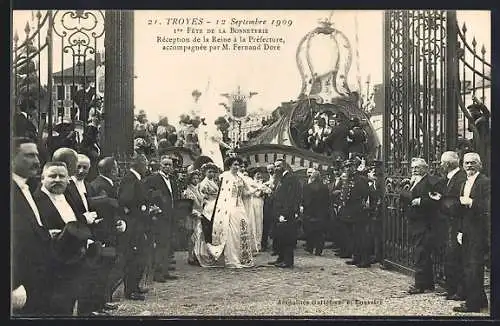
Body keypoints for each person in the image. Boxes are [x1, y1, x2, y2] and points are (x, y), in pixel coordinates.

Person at [33, 161, 94, 316]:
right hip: (51, 268)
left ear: (68, 179)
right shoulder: (35, 201)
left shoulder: (67, 196)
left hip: (74, 263)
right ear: (42, 178)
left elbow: (77, 222)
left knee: (68, 306)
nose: (58, 180)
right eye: (52, 176)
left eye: (62, 176)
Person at [11, 138, 51, 316]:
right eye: (28, 155)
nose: (36, 161)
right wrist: (13, 284)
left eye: (36, 155)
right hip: (19, 285)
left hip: (36, 280)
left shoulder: (28, 188)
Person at [453, 153, 490, 313]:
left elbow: (489, 206)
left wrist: (472, 202)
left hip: (479, 230)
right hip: (467, 229)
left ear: (479, 165)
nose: (469, 166)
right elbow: (461, 211)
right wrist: (460, 230)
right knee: (469, 265)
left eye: (472, 163)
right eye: (466, 163)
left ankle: (472, 304)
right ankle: (480, 300)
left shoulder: (485, 182)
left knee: (474, 267)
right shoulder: (463, 183)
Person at [88, 157, 125, 311]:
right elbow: (104, 210)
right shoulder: (100, 186)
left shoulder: (102, 184)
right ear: (112, 170)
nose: (118, 171)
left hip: (109, 232)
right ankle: (98, 303)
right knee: (103, 270)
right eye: (116, 168)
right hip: (104, 234)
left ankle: (103, 301)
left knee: (107, 269)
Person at [205, 156, 255, 268]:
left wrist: (257, 190)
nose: (237, 167)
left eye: (238, 165)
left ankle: (241, 257)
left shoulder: (240, 178)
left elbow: (245, 193)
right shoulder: (225, 176)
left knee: (240, 230)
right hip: (228, 206)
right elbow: (222, 195)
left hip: (239, 206)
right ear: (229, 165)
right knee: (231, 232)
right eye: (235, 165)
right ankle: (231, 258)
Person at [400, 158, 440, 294]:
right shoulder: (412, 180)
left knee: (420, 253)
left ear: (425, 168)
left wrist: (422, 201)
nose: (414, 170)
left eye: (417, 167)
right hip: (414, 222)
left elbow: (437, 200)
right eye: (413, 167)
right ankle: (428, 283)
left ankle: (420, 285)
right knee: (421, 253)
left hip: (425, 223)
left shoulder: (431, 181)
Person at [117, 153, 151, 300]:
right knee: (134, 256)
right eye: (145, 163)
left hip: (138, 223)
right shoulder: (130, 179)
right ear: (139, 164)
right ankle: (130, 290)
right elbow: (126, 200)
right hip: (134, 225)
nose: (147, 167)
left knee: (139, 256)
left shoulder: (136, 178)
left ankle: (135, 286)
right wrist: (143, 209)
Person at [143, 155, 180, 282]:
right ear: (160, 165)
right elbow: (147, 194)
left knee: (167, 245)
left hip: (169, 216)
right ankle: (157, 273)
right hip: (158, 217)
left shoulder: (172, 180)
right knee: (159, 244)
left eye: (169, 165)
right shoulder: (153, 179)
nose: (167, 167)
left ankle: (165, 271)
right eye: (165, 164)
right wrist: (154, 208)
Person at [268, 159, 302, 268]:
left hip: (286, 213)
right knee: (280, 237)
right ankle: (280, 258)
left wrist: (285, 213)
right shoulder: (281, 178)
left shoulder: (290, 178)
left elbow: (291, 198)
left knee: (287, 238)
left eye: (278, 166)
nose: (275, 168)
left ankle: (287, 261)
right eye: (275, 166)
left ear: (284, 166)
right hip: (279, 212)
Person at [301, 168, 330, 256]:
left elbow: (305, 200)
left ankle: (310, 248)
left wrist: (305, 207)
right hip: (321, 212)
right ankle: (318, 250)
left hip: (310, 212)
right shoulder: (325, 187)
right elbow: (327, 200)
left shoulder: (307, 187)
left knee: (310, 231)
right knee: (320, 233)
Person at [182, 169, 205, 265]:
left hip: (200, 214)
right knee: (192, 236)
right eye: (193, 178)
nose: (196, 180)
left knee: (199, 236)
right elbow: (187, 206)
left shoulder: (198, 189)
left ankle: (197, 254)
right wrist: (195, 212)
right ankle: (190, 256)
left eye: (197, 178)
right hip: (192, 215)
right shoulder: (188, 191)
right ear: (190, 179)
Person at [198, 162, 220, 242]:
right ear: (205, 173)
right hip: (208, 206)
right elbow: (202, 196)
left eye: (213, 172)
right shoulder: (204, 183)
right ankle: (208, 243)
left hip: (215, 204)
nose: (212, 174)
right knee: (208, 225)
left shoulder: (213, 181)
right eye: (209, 172)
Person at [261, 164, 277, 252]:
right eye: (268, 169)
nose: (270, 171)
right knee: (265, 224)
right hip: (267, 204)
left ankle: (275, 247)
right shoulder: (265, 180)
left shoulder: (278, 179)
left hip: (275, 205)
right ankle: (264, 244)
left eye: (272, 169)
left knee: (275, 225)